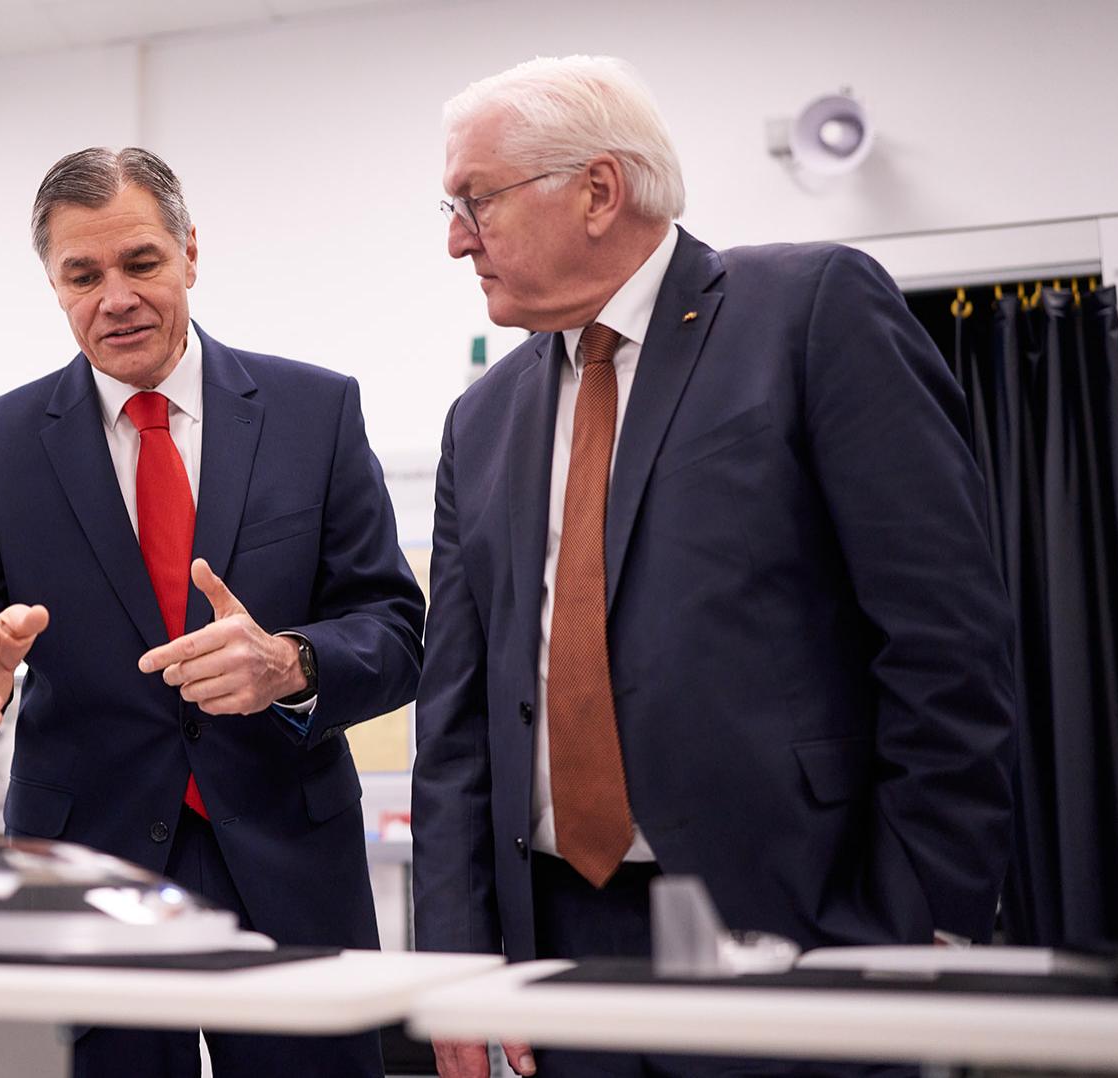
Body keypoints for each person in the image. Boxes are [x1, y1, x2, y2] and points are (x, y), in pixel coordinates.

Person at [411, 55, 1017, 1078]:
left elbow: (944, 645)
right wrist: (457, 958)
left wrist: (919, 928)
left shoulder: (810, 312)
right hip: (559, 956)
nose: (457, 237)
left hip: (806, 929)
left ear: (599, 190)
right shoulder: (481, 421)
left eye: (475, 200)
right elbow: (459, 721)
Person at [0, 146, 424, 1078]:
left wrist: (292, 664)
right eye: (81, 275)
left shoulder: (314, 411)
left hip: (289, 852)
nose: (115, 297)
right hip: (88, 874)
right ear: (54, 286)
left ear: (188, 251)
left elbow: (394, 625)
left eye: (140, 263)